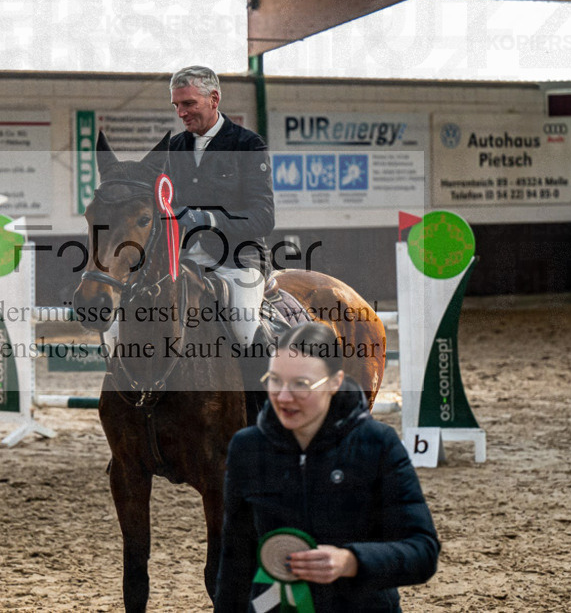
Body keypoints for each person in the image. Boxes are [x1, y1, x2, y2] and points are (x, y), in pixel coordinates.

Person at [215, 323, 440, 612]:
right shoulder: (246, 448)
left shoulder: (378, 443)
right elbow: (235, 560)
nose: (283, 397)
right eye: (275, 380)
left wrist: (352, 561)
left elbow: (423, 551)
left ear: (335, 382)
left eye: (301, 384)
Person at [168, 65, 274, 349]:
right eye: (177, 105)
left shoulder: (247, 144)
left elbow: (263, 217)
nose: (181, 113)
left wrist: (210, 220)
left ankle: (262, 392)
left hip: (237, 261)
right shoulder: (173, 148)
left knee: (244, 327)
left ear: (214, 99)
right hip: (183, 262)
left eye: (188, 103)